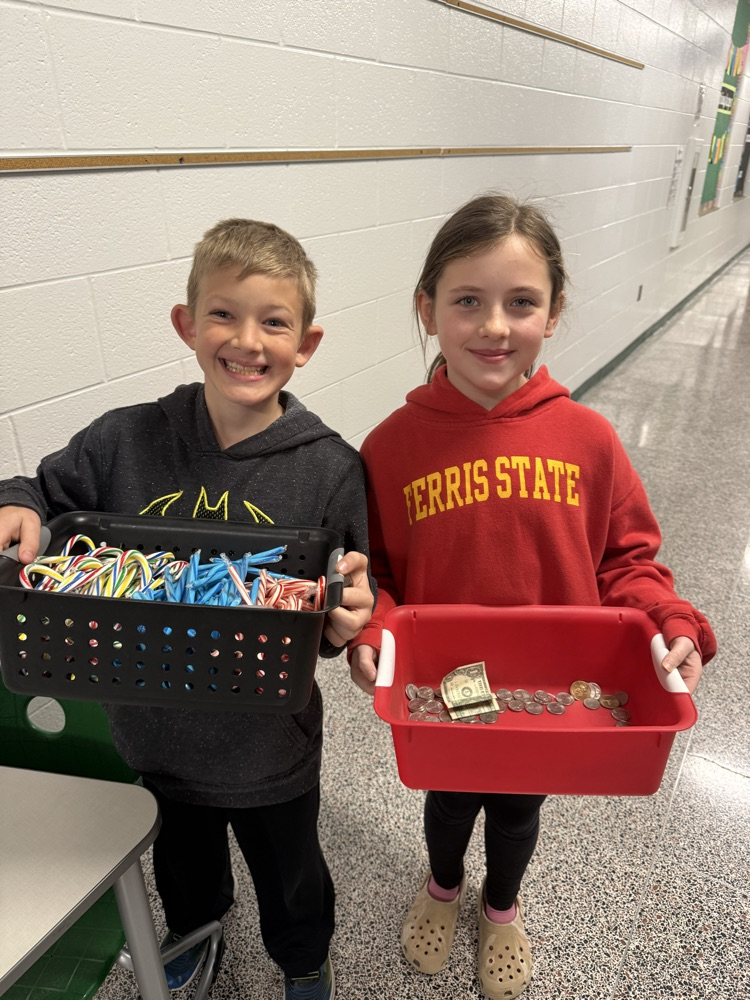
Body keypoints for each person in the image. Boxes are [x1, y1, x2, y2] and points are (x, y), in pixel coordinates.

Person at [347, 193, 716, 999]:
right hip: (444, 689)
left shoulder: (589, 439)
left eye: (521, 302)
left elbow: (628, 560)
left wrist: (670, 620)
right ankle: (443, 886)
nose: (494, 326)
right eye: (467, 301)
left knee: (517, 809)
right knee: (450, 802)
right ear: (427, 309)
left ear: (553, 313)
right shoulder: (390, 448)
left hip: (548, 694)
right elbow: (378, 576)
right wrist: (374, 631)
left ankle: (502, 907)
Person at [0, 217, 375, 1000]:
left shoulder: (331, 470)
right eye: (224, 314)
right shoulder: (125, 440)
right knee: (183, 865)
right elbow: (41, 490)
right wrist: (18, 505)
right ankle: (197, 934)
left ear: (306, 343)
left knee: (292, 876)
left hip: (268, 745)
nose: (247, 340)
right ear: (187, 325)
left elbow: (339, 600)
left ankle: (304, 960)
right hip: (155, 732)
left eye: (274, 322)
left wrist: (346, 624)